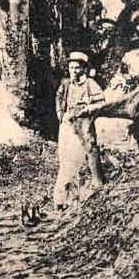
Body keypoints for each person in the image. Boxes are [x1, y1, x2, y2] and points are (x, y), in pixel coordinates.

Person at [53, 51, 107, 210]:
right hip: (67, 124)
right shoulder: (66, 84)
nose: (74, 71)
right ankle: (63, 197)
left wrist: (87, 110)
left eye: (77, 68)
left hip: (83, 122)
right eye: (71, 67)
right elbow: (59, 99)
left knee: (86, 151)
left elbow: (101, 102)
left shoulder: (90, 84)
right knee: (65, 157)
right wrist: (62, 116)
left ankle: (95, 183)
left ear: (84, 69)